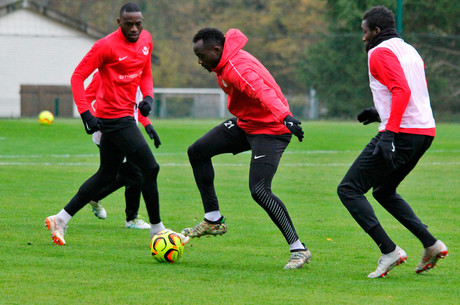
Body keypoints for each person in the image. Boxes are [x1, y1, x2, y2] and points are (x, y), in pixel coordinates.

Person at [45, 2, 186, 245]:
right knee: (150, 168)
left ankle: (60, 219)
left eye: (138, 24)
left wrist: (148, 98)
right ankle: (157, 230)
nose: (134, 28)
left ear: (143, 22)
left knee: (106, 176)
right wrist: (86, 114)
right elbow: (77, 77)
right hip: (113, 119)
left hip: (126, 116)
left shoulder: (146, 40)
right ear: (119, 22)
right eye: (129, 24)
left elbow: (146, 73)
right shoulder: (105, 46)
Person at [181, 27, 310, 269]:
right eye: (196, 56)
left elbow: (263, 92)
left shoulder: (237, 68)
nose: (199, 61)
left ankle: (299, 249)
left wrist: (285, 117)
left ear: (217, 50)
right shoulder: (223, 63)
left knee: (259, 190)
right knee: (197, 151)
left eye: (202, 55)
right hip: (247, 124)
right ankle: (213, 220)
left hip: (272, 129)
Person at [337, 6, 448, 278]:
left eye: (364, 32)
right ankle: (431, 244)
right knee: (383, 191)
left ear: (376, 31)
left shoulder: (378, 52)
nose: (363, 38)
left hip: (402, 133)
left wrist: (388, 133)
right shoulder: (409, 50)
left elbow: (401, 89)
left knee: (349, 189)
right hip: (424, 132)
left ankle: (390, 251)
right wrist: (379, 112)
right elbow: (412, 91)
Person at [85, 72, 156, 229]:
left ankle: (94, 196)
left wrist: (148, 125)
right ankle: (131, 220)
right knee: (135, 173)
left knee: (124, 174)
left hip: (128, 133)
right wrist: (93, 120)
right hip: (110, 133)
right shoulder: (104, 73)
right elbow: (86, 98)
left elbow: (135, 107)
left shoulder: (135, 72)